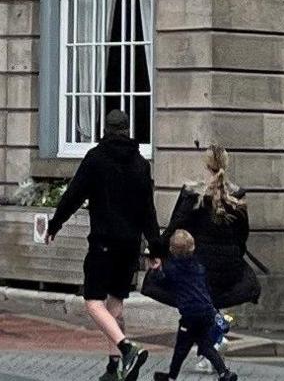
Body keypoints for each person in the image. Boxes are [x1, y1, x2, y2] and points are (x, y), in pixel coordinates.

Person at [46, 122, 160, 381]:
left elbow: (73, 195)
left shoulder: (96, 159)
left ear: (106, 130)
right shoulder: (141, 164)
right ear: (126, 131)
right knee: (115, 304)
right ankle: (115, 367)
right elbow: (148, 210)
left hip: (104, 242)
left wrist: (55, 224)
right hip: (130, 245)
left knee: (93, 302)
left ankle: (126, 348)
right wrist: (155, 247)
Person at [163, 147, 259, 319]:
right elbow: (242, 234)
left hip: (199, 266)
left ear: (205, 166)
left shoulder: (191, 193)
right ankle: (214, 330)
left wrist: (156, 250)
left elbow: (175, 225)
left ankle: (205, 334)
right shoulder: (237, 195)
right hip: (229, 269)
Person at [154, 227, 239, 381]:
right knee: (205, 344)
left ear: (172, 249)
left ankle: (171, 377)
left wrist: (155, 271)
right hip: (206, 312)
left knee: (181, 347)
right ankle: (224, 373)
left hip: (190, 314)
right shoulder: (199, 267)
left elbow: (162, 282)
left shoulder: (172, 268)